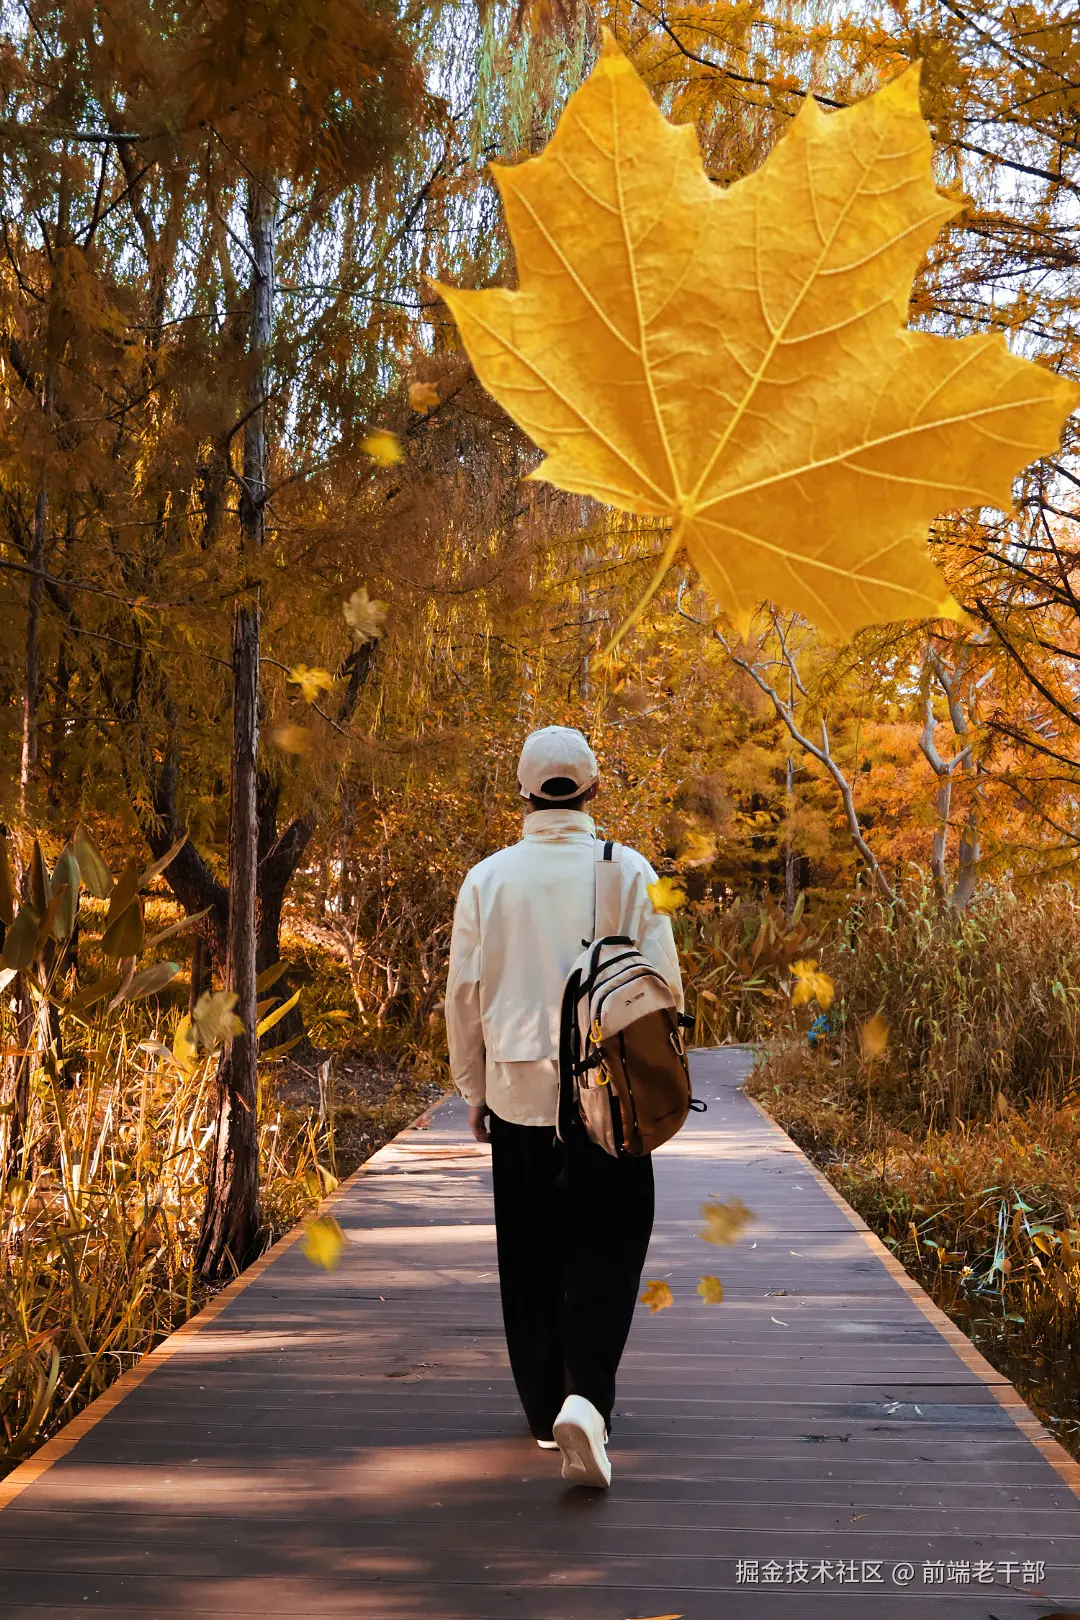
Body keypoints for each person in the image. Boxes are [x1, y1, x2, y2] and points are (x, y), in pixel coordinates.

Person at [445, 725, 683, 1489]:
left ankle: (545, 1404)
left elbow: (463, 996)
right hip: (612, 1097)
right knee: (612, 1242)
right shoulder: (630, 870)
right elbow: (665, 990)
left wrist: (473, 1089)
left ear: (522, 792)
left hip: (518, 1090)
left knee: (530, 1252)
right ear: (593, 789)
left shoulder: (486, 879)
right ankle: (588, 1399)